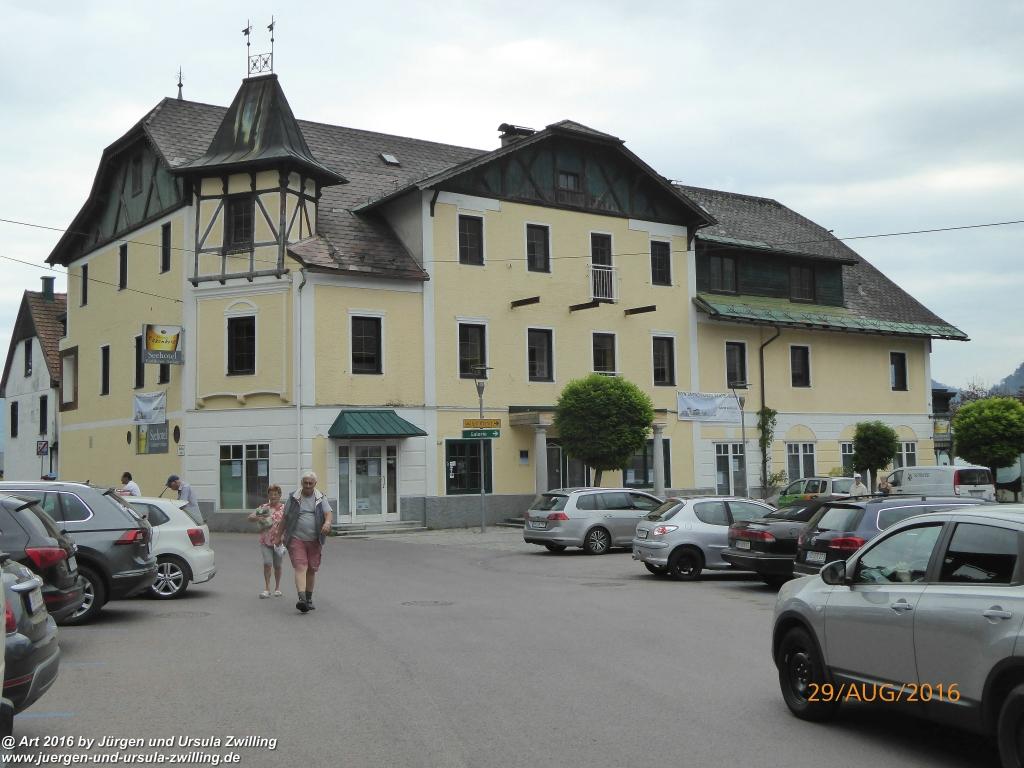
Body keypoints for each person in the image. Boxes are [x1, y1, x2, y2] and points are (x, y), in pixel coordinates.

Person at [275, 471, 332, 613]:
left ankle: (309, 598)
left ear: (315, 484)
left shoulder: (320, 497)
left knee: (312, 569)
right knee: (301, 567)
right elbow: (285, 518)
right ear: (301, 483)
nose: (307, 485)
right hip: (296, 538)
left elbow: (328, 513)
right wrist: (278, 536)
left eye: (310, 483)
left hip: (315, 539)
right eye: (305, 483)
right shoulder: (293, 497)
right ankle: (302, 599)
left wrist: (328, 523)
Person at [247, 484, 285, 598]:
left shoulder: (284, 508)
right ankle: (267, 588)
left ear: (279, 495)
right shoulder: (264, 507)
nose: (273, 496)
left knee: (277, 565)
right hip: (265, 541)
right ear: (268, 495)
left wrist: (284, 536)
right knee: (267, 563)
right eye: (271, 494)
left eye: (276, 494)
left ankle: (277, 588)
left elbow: (290, 523)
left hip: (279, 542)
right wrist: (258, 518)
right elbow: (249, 518)